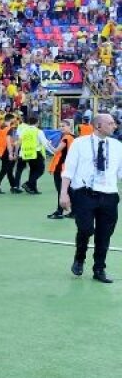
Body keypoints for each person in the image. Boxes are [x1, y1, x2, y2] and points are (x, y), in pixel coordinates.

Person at [59, 114, 122, 283]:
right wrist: (64, 193)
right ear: (98, 125)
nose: (114, 126)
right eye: (110, 123)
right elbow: (69, 169)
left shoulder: (118, 146)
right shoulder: (79, 143)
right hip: (84, 194)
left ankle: (99, 269)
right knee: (85, 229)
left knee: (104, 234)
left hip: (109, 196)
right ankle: (79, 258)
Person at [17, 115, 52, 194]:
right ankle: (28, 184)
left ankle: (33, 189)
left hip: (27, 153)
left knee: (33, 171)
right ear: (37, 122)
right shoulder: (38, 131)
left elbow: (21, 142)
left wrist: (20, 154)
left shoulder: (24, 130)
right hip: (36, 153)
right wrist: (53, 151)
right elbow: (45, 144)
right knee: (40, 170)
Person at [48, 121, 75, 219]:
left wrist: (48, 144)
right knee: (69, 190)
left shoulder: (66, 138)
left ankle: (60, 211)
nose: (61, 128)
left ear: (69, 126)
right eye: (60, 126)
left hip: (60, 167)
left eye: (63, 126)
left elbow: (56, 151)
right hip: (67, 167)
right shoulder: (73, 137)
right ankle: (74, 211)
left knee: (61, 190)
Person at [0, 115, 21, 194]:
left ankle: (13, 186)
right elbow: (10, 142)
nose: (15, 121)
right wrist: (12, 153)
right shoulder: (9, 129)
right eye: (14, 119)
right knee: (5, 169)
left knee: (8, 169)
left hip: (1, 151)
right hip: (7, 151)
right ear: (11, 120)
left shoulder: (1, 128)